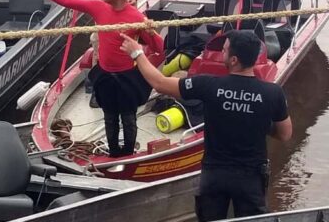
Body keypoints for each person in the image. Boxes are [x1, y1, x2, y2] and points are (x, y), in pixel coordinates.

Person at [120, 30, 292, 221]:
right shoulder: (273, 93)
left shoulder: (209, 85)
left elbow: (159, 83)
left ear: (234, 60)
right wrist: (254, 118)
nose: (222, 54)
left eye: (225, 50)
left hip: (214, 175)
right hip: (250, 178)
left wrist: (137, 53)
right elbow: (285, 134)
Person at [24, 0, 163, 157]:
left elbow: (158, 48)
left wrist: (150, 31)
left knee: (129, 118)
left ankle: (128, 154)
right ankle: (113, 153)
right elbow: (69, 1)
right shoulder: (99, 7)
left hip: (127, 77)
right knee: (109, 117)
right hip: (105, 75)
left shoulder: (136, 17)